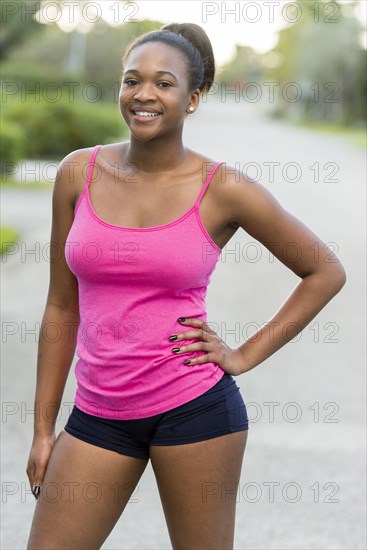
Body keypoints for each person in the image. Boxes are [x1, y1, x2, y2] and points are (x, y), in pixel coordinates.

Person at [26, 22, 346, 549]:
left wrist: (243, 355)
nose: (144, 94)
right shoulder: (77, 173)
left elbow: (324, 271)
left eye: (164, 83)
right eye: (133, 80)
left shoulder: (224, 189)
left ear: (194, 98)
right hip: (98, 414)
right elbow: (62, 307)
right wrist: (42, 430)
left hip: (195, 410)